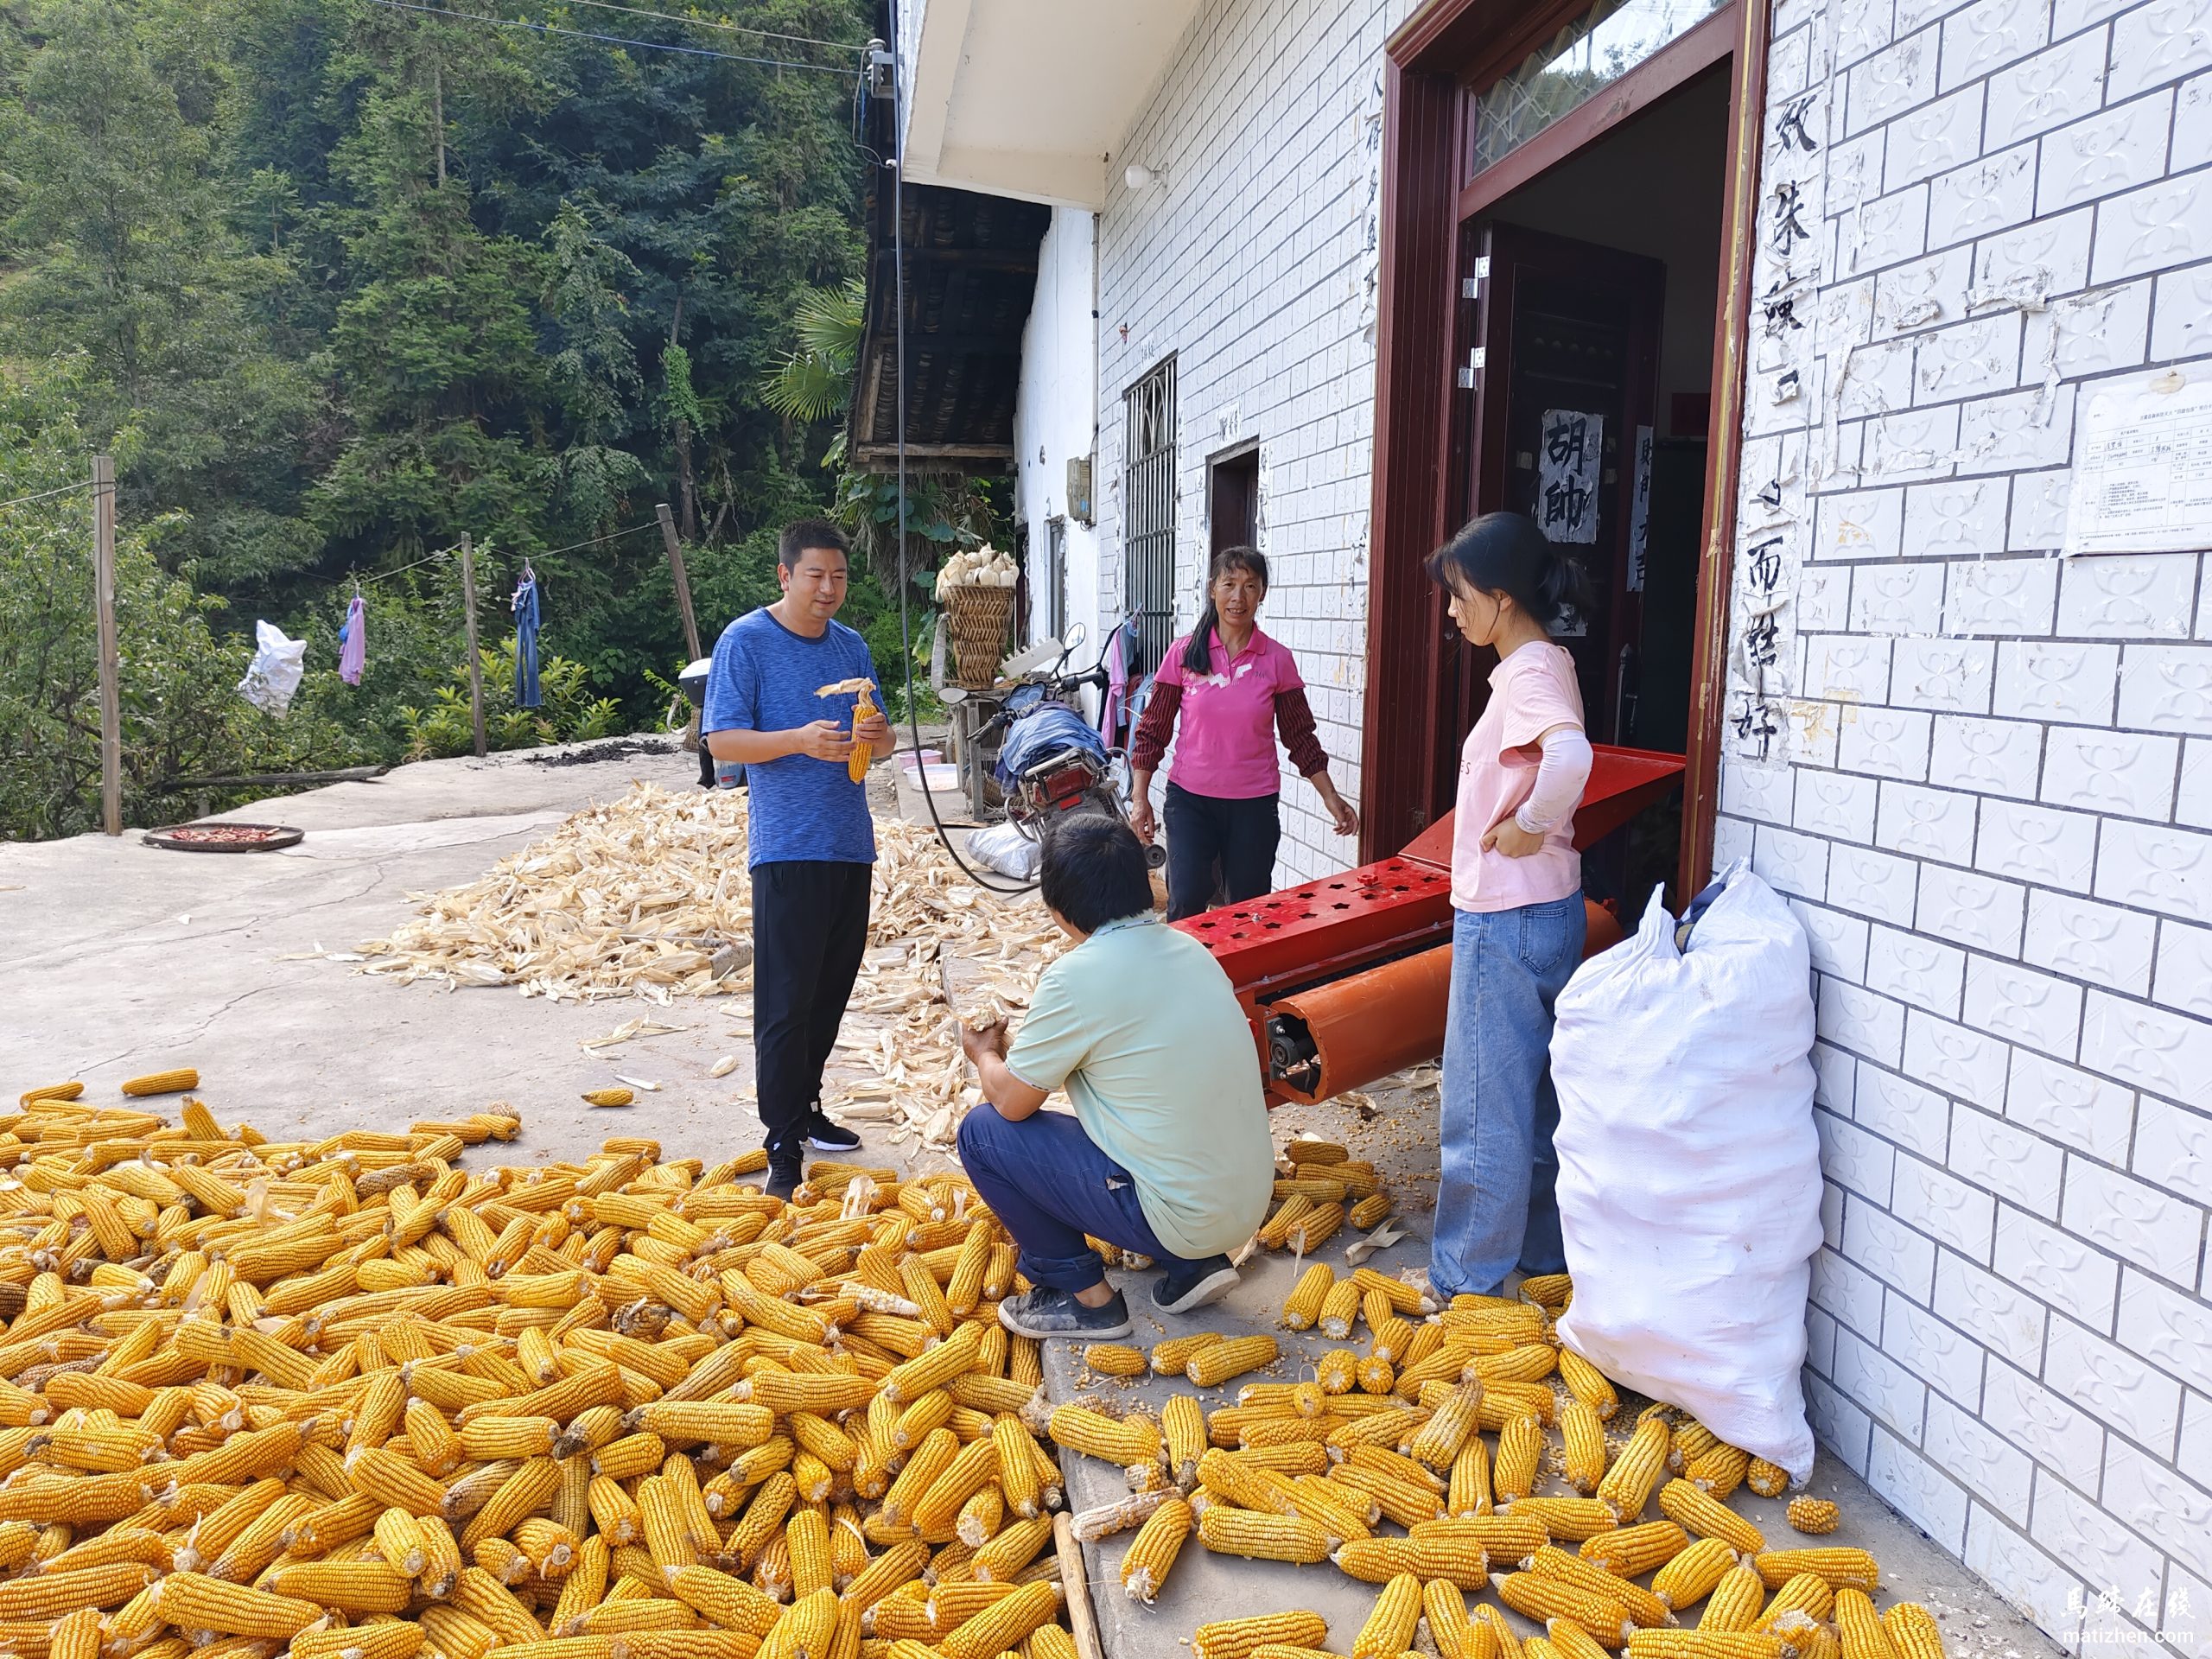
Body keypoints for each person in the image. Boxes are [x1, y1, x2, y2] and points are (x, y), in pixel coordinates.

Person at [957, 814, 1274, 1337]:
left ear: (1057, 910)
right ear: (1142, 884)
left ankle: (1085, 1298)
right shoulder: (1191, 948)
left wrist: (983, 1055)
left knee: (984, 1134)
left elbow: (1012, 1102)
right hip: (1244, 1210)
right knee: (1149, 1116)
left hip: (1178, 1215)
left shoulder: (1075, 979)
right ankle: (1195, 1265)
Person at [1427, 511, 1594, 1300]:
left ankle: (1466, 1284)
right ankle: (1537, 1254)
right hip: (1549, 911)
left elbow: (1569, 756)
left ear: (1500, 597)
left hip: (1505, 918)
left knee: (1481, 1111)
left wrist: (1530, 824)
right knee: (1530, 1101)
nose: (1453, 612)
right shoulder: (1550, 663)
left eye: (1460, 596)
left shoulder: (1526, 673)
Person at [702, 520, 893, 1199]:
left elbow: (888, 737)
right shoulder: (745, 642)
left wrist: (879, 734)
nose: (828, 589)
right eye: (815, 575)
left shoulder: (851, 645)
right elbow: (722, 742)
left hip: (849, 842)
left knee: (829, 990)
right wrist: (797, 740)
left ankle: (807, 1106)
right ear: (785, 576)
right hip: (786, 846)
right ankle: (781, 1140)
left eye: (838, 576)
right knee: (785, 1002)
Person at [1128, 546, 1358, 920]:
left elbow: (1300, 737)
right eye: (1229, 584)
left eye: (1250, 586)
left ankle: (1239, 980)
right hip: (1190, 801)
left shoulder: (1277, 660)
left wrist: (1330, 798)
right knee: (1186, 902)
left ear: (1262, 593)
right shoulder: (1184, 653)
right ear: (1212, 590)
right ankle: (1186, 978)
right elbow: (1153, 731)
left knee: (1250, 911)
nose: (1239, 597)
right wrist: (1140, 798)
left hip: (1254, 804)